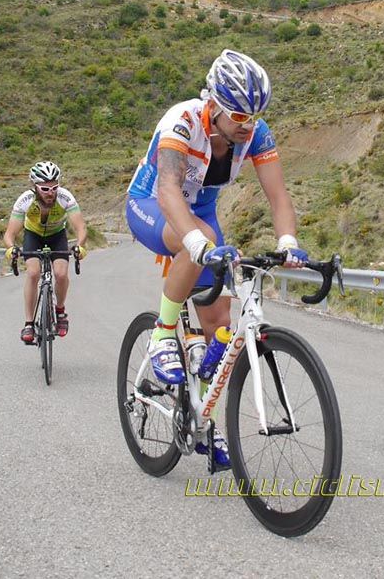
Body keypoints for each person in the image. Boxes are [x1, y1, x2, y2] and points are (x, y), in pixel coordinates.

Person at [125, 49, 308, 467]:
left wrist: (288, 242)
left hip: (201, 214)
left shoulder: (255, 134)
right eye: (239, 118)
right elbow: (169, 191)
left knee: (220, 327)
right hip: (151, 204)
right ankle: (161, 333)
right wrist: (193, 241)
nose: (249, 127)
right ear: (213, 105)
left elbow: (278, 197)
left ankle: (201, 419)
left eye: (255, 117)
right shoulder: (183, 120)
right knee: (203, 238)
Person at [3, 161, 87, 343]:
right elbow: (10, 234)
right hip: (33, 235)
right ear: (34, 187)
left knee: (61, 274)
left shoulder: (65, 197)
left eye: (54, 187)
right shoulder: (25, 200)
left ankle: (60, 311)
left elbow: (81, 227)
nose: (51, 193)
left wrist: (80, 245)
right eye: (45, 189)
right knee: (33, 273)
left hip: (57, 235)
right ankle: (29, 323)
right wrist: (11, 248)